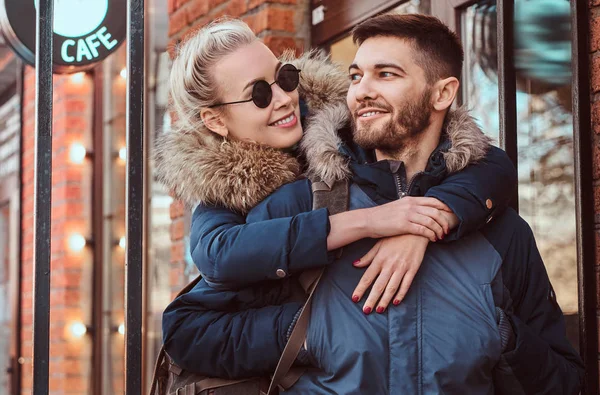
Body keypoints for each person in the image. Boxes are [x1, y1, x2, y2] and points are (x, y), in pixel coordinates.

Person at [158, 15, 582, 394]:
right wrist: (312, 329)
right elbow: (209, 276)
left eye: (286, 78)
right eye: (357, 75)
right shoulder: (271, 200)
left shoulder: (495, 222)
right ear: (215, 121)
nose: (284, 99)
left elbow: (493, 165)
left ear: (442, 93)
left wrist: (497, 328)